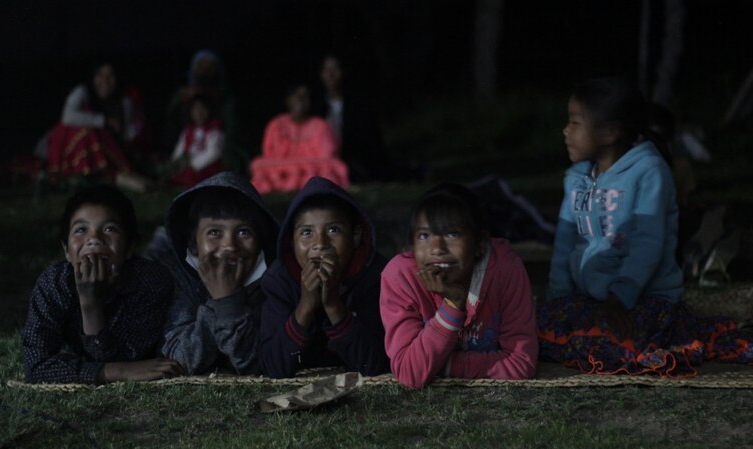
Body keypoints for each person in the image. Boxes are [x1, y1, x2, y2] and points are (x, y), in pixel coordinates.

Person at [538, 77, 753, 375]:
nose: (566, 131)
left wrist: (620, 297)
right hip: (590, 298)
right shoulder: (577, 178)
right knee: (542, 327)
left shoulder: (649, 172)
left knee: (617, 341)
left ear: (610, 132)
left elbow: (647, 244)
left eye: (575, 123)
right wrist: (559, 299)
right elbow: (565, 243)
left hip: (642, 299)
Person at [380, 184, 538, 389]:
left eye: (452, 234)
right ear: (411, 246)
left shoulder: (505, 268)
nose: (436, 249)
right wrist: (453, 306)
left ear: (480, 244)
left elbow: (521, 363)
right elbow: (410, 373)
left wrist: (440, 365)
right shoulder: (401, 277)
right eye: (424, 236)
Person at [23, 186, 182, 384]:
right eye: (81, 230)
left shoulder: (150, 282)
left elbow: (127, 356)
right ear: (66, 250)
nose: (94, 239)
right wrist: (89, 301)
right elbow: (35, 366)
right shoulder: (55, 284)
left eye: (109, 229)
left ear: (129, 246)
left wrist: (92, 304)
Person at [145, 172, 279, 375]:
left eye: (243, 232)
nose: (229, 246)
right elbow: (179, 360)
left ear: (260, 241)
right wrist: (219, 304)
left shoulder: (272, 281)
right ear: (193, 243)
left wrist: (229, 303)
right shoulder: (177, 279)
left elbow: (255, 364)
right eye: (215, 232)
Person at [258, 176, 389, 378]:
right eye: (306, 232)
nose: (320, 243)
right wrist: (305, 306)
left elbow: (373, 366)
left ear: (355, 236)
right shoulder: (279, 280)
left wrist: (333, 304)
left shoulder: (375, 276)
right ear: (291, 242)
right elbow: (273, 368)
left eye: (333, 230)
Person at [46, 63, 149, 192]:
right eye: (100, 75)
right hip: (69, 150)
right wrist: (104, 121)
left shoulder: (124, 102)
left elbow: (127, 134)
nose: (105, 81)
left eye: (110, 76)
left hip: (110, 152)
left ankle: (118, 175)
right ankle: (99, 175)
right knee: (86, 129)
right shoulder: (83, 92)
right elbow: (67, 117)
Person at [250, 85, 350, 194]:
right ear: (288, 100)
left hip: (314, 171)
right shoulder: (276, 125)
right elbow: (269, 154)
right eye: (296, 96)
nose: (300, 100)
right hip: (280, 171)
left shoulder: (321, 126)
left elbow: (328, 157)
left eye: (304, 96)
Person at [315, 55, 388, 182]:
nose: (331, 75)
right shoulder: (316, 106)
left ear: (342, 72)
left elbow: (369, 139)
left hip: (352, 159)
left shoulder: (357, 104)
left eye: (335, 69)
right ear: (321, 74)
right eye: (326, 70)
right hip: (324, 160)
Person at [168, 95, 225, 187]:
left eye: (203, 109)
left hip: (206, 168)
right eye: (195, 109)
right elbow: (180, 148)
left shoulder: (214, 130)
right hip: (187, 166)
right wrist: (175, 163)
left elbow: (214, 153)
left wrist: (194, 164)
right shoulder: (188, 130)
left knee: (192, 179)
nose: (199, 113)